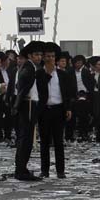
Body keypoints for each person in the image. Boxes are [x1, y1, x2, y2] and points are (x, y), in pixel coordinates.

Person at [36, 42, 72, 179]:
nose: (50, 58)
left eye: (52, 56)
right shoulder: (39, 74)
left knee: (59, 142)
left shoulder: (62, 75)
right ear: (44, 58)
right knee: (44, 142)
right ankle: (44, 170)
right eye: (48, 56)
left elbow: (67, 93)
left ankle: (60, 171)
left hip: (58, 110)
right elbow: (39, 88)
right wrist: (48, 74)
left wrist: (68, 108)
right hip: (44, 110)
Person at [12, 40, 44, 181]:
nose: (39, 57)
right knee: (26, 139)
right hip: (28, 104)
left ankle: (22, 168)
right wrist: (20, 102)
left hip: (30, 103)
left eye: (40, 55)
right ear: (30, 55)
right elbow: (22, 86)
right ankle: (20, 170)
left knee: (27, 139)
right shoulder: (29, 68)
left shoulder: (30, 67)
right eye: (36, 54)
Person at [71, 55, 95, 141]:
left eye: (80, 62)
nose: (78, 64)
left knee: (85, 116)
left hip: (85, 95)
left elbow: (91, 83)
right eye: (77, 62)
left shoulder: (86, 72)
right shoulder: (71, 72)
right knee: (76, 116)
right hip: (76, 95)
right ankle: (78, 133)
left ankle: (85, 133)